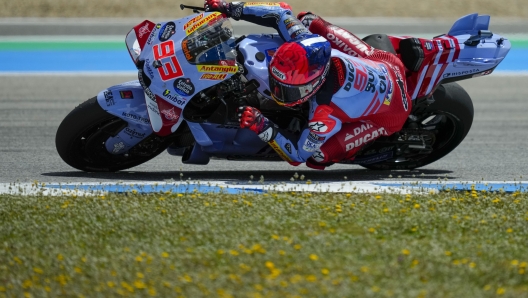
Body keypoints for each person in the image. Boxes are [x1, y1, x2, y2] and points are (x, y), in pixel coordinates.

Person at [204, 0, 412, 169]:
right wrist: (230, 7)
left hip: (392, 112)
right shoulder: (305, 40)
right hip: (384, 62)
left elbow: (297, 155)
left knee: (318, 157)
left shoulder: (323, 115)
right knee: (307, 19)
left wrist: (261, 124)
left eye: (288, 90)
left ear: (315, 83)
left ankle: (359, 152)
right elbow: (280, 12)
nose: (279, 92)